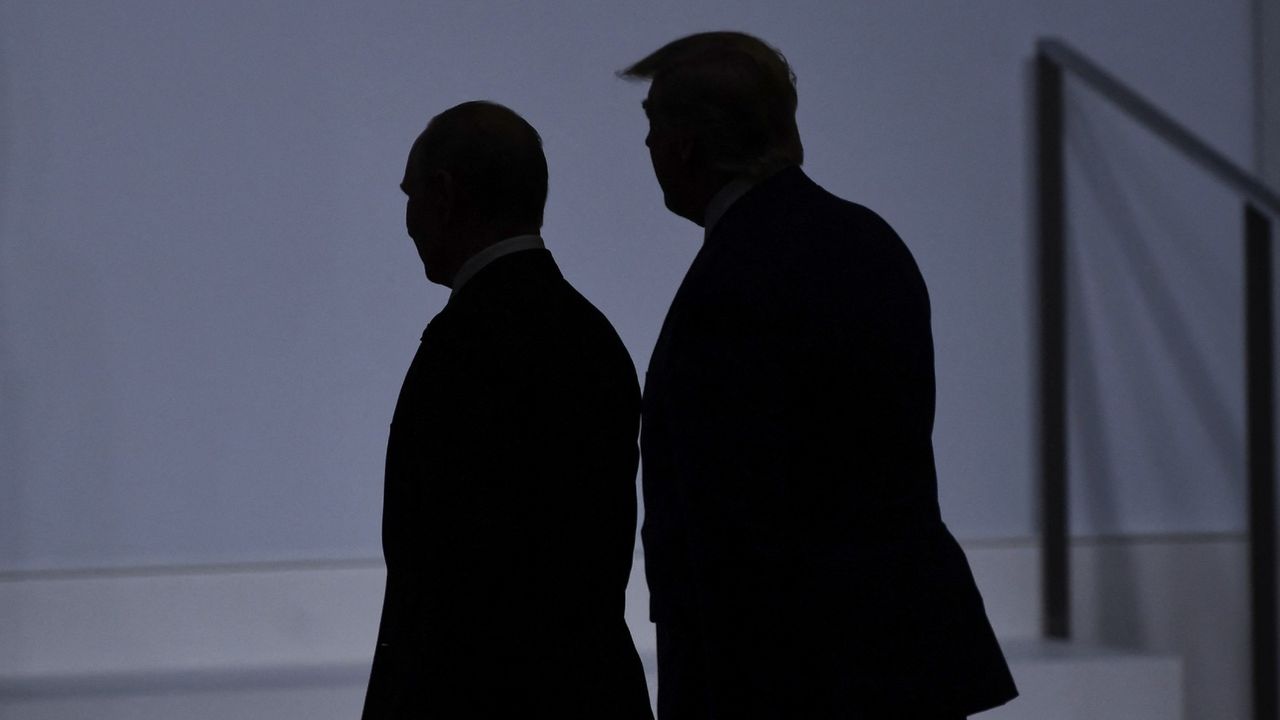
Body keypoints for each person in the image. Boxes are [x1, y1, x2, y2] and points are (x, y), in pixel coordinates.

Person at [621, 32, 1019, 719]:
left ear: (687, 142)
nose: (647, 146)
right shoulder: (868, 240)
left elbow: (729, 517)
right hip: (901, 652)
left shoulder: (733, 282)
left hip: (785, 671)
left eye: (652, 123)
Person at [361, 100, 653, 719]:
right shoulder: (591, 334)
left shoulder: (464, 346)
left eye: (410, 195)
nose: (407, 218)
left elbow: (437, 582)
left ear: (443, 194)